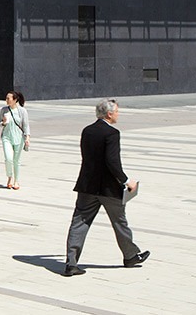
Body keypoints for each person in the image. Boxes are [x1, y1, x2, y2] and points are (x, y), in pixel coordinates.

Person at [63, 98, 149, 277]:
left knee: (79, 222)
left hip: (87, 186)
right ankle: (131, 256)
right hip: (108, 188)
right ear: (109, 114)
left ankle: (71, 263)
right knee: (119, 222)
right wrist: (126, 181)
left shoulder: (87, 131)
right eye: (117, 111)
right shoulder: (112, 134)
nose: (118, 114)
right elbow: (112, 162)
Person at [0, 90, 30, 190]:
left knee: (16, 160)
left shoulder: (22, 111)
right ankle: (9, 177)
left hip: (19, 138)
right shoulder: (4, 110)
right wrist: (3, 123)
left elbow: (26, 125)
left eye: (9, 98)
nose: (7, 100)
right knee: (8, 158)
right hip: (6, 136)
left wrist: (27, 138)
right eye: (6, 98)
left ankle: (16, 181)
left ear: (15, 100)